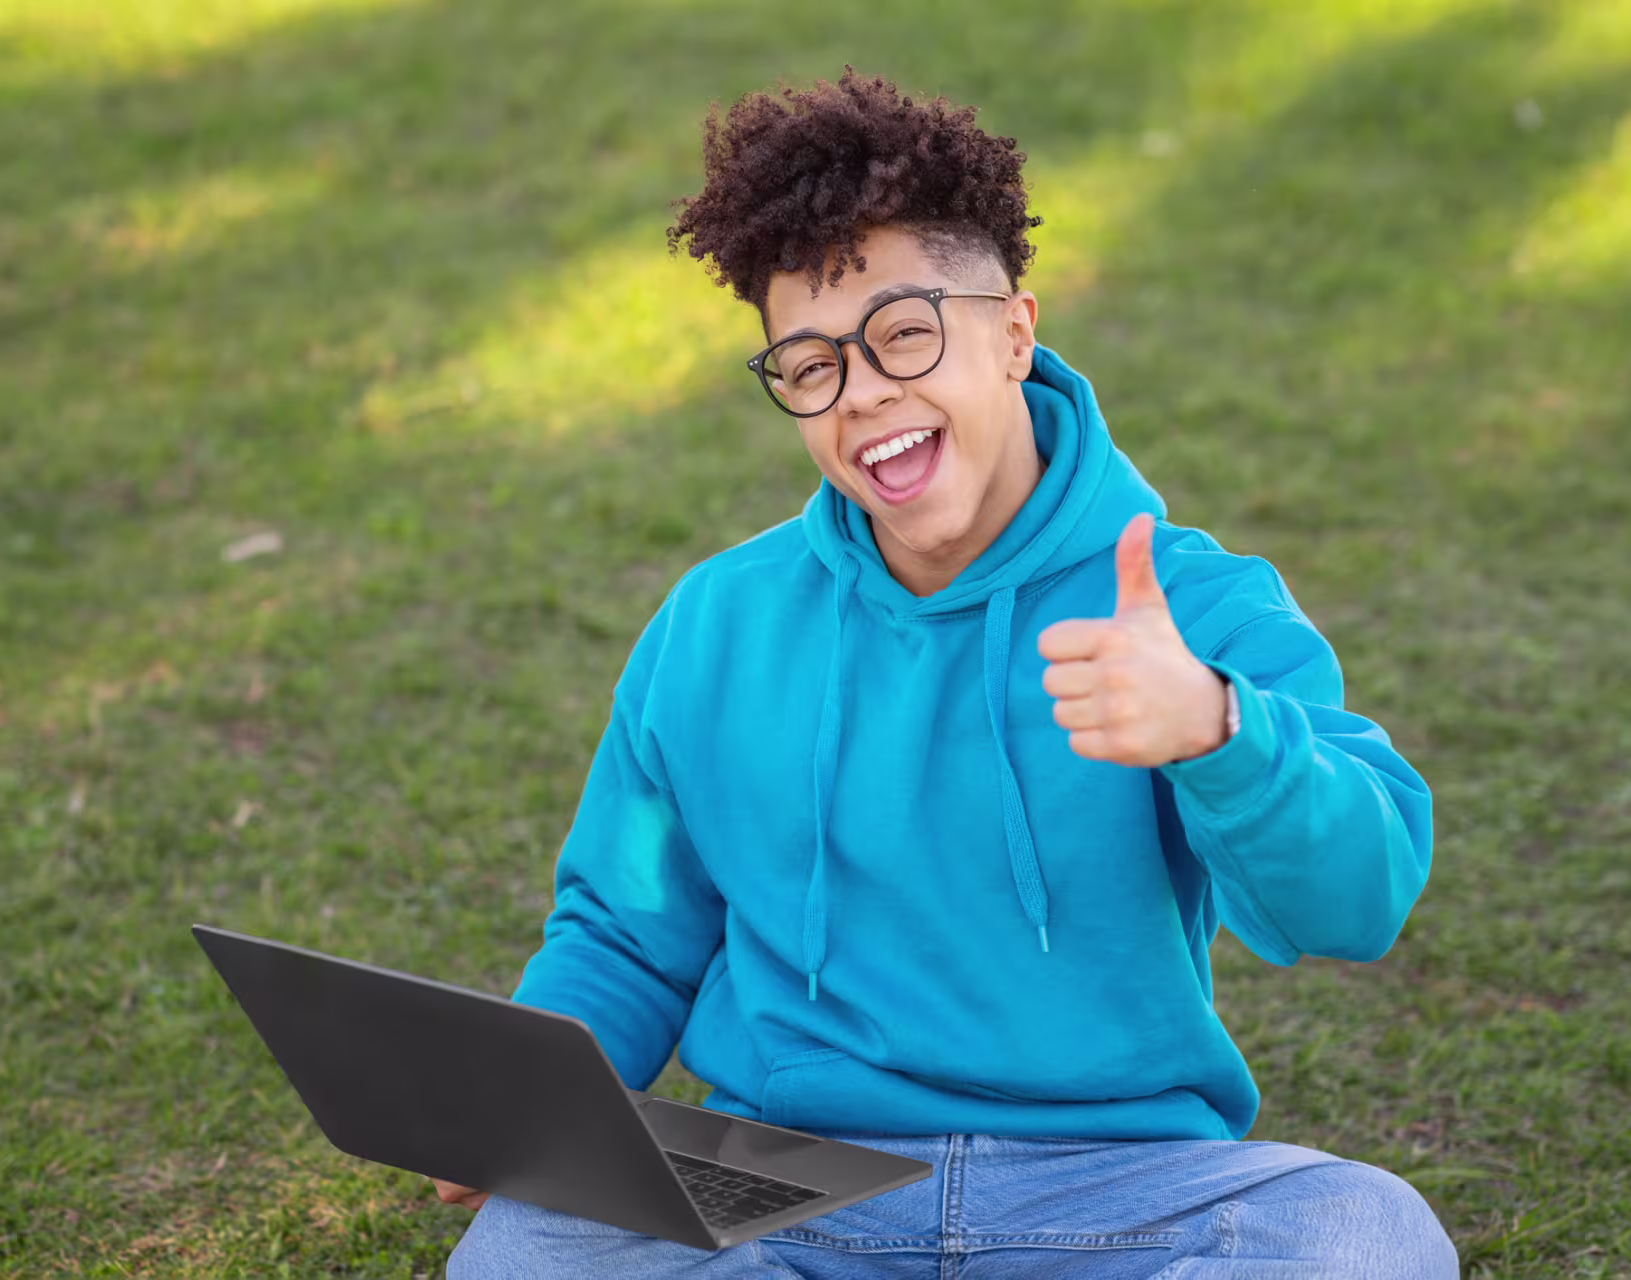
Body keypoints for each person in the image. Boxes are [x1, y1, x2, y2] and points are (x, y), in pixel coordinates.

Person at [442, 66, 1457, 1278]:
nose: (864, 393)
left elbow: (1357, 897)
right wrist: (524, 1099)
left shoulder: (1192, 603)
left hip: (1114, 1179)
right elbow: (625, 927)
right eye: (810, 365)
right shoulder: (718, 620)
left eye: (905, 332)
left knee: (1364, 1234)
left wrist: (1217, 731)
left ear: (1015, 332)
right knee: (526, 1249)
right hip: (791, 1174)